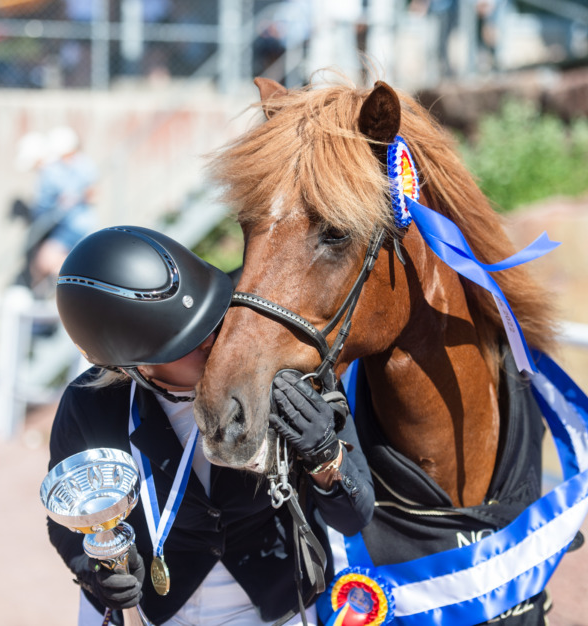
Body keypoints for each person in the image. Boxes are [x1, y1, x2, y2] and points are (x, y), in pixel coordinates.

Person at [46, 226, 374, 625]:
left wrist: (326, 456)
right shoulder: (89, 406)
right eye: (187, 339)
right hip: (152, 612)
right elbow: (68, 523)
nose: (212, 340)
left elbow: (354, 517)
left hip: (274, 605)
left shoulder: (288, 374)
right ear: (137, 367)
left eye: (212, 317)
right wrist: (94, 571)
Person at [26, 126, 99, 296]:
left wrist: (76, 197)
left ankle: (72, 288)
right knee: (43, 265)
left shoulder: (80, 166)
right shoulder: (57, 169)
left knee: (48, 261)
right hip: (66, 226)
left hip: (75, 226)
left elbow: (93, 193)